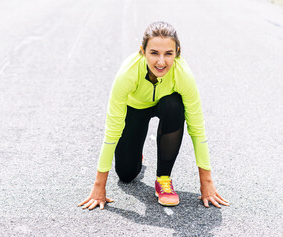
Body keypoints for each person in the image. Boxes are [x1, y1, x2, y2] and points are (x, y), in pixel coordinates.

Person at [78, 21, 229, 210]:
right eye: (154, 53)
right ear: (142, 51)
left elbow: (197, 129)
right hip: (136, 109)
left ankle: (163, 179)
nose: (161, 61)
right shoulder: (127, 74)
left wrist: (206, 183)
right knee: (126, 175)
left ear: (177, 52)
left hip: (166, 105)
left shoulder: (183, 75)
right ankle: (136, 156)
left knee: (174, 105)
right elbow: (112, 130)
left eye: (168, 54)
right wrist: (99, 187)